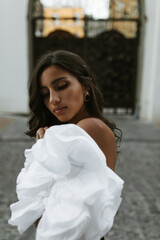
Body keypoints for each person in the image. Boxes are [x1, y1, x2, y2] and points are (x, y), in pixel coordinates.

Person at [8, 50, 124, 240]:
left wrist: (45, 148)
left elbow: (54, 216)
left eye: (61, 86)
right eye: (45, 94)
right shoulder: (77, 130)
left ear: (85, 86)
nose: (53, 99)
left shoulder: (89, 128)